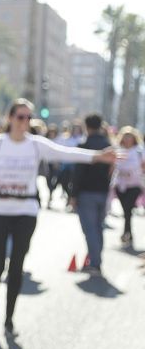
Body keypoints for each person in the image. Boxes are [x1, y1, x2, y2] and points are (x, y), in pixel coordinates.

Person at [0, 100, 115, 333]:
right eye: (20, 117)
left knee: (17, 264)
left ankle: (9, 317)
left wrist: (98, 156)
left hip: (25, 212)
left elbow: (67, 153)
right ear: (10, 118)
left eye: (28, 118)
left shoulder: (36, 145)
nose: (25, 122)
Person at [70, 113, 113, 276]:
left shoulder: (84, 145)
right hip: (103, 192)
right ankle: (96, 260)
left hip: (86, 193)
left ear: (86, 126)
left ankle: (95, 263)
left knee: (90, 229)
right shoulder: (108, 145)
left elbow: (78, 173)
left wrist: (73, 195)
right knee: (98, 227)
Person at [113, 127, 144, 248]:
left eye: (129, 136)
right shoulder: (118, 150)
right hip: (120, 184)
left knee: (128, 208)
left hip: (135, 184)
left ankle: (127, 233)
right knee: (126, 210)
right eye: (125, 136)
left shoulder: (139, 151)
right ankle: (128, 234)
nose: (127, 139)